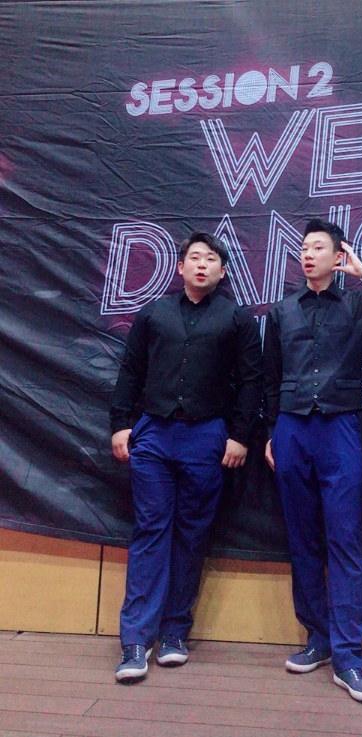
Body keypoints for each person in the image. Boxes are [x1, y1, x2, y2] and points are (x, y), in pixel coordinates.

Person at [263, 218, 362, 702]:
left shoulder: (359, 302)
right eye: (303, 248)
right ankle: (319, 639)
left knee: (345, 539)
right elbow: (270, 376)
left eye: (318, 248)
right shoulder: (282, 311)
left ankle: (350, 658)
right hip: (291, 428)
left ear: (337, 256)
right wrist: (270, 432)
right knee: (302, 538)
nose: (307, 254)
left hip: (339, 429)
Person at [110, 232, 262, 682]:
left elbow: (251, 382)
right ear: (180, 267)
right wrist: (120, 423)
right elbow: (131, 371)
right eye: (194, 257)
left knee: (193, 534)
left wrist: (240, 436)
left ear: (222, 271)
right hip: (154, 433)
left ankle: (175, 631)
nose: (201, 264)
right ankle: (135, 640)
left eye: (210, 259)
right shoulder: (153, 313)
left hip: (208, 435)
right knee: (150, 530)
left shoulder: (236, 319)